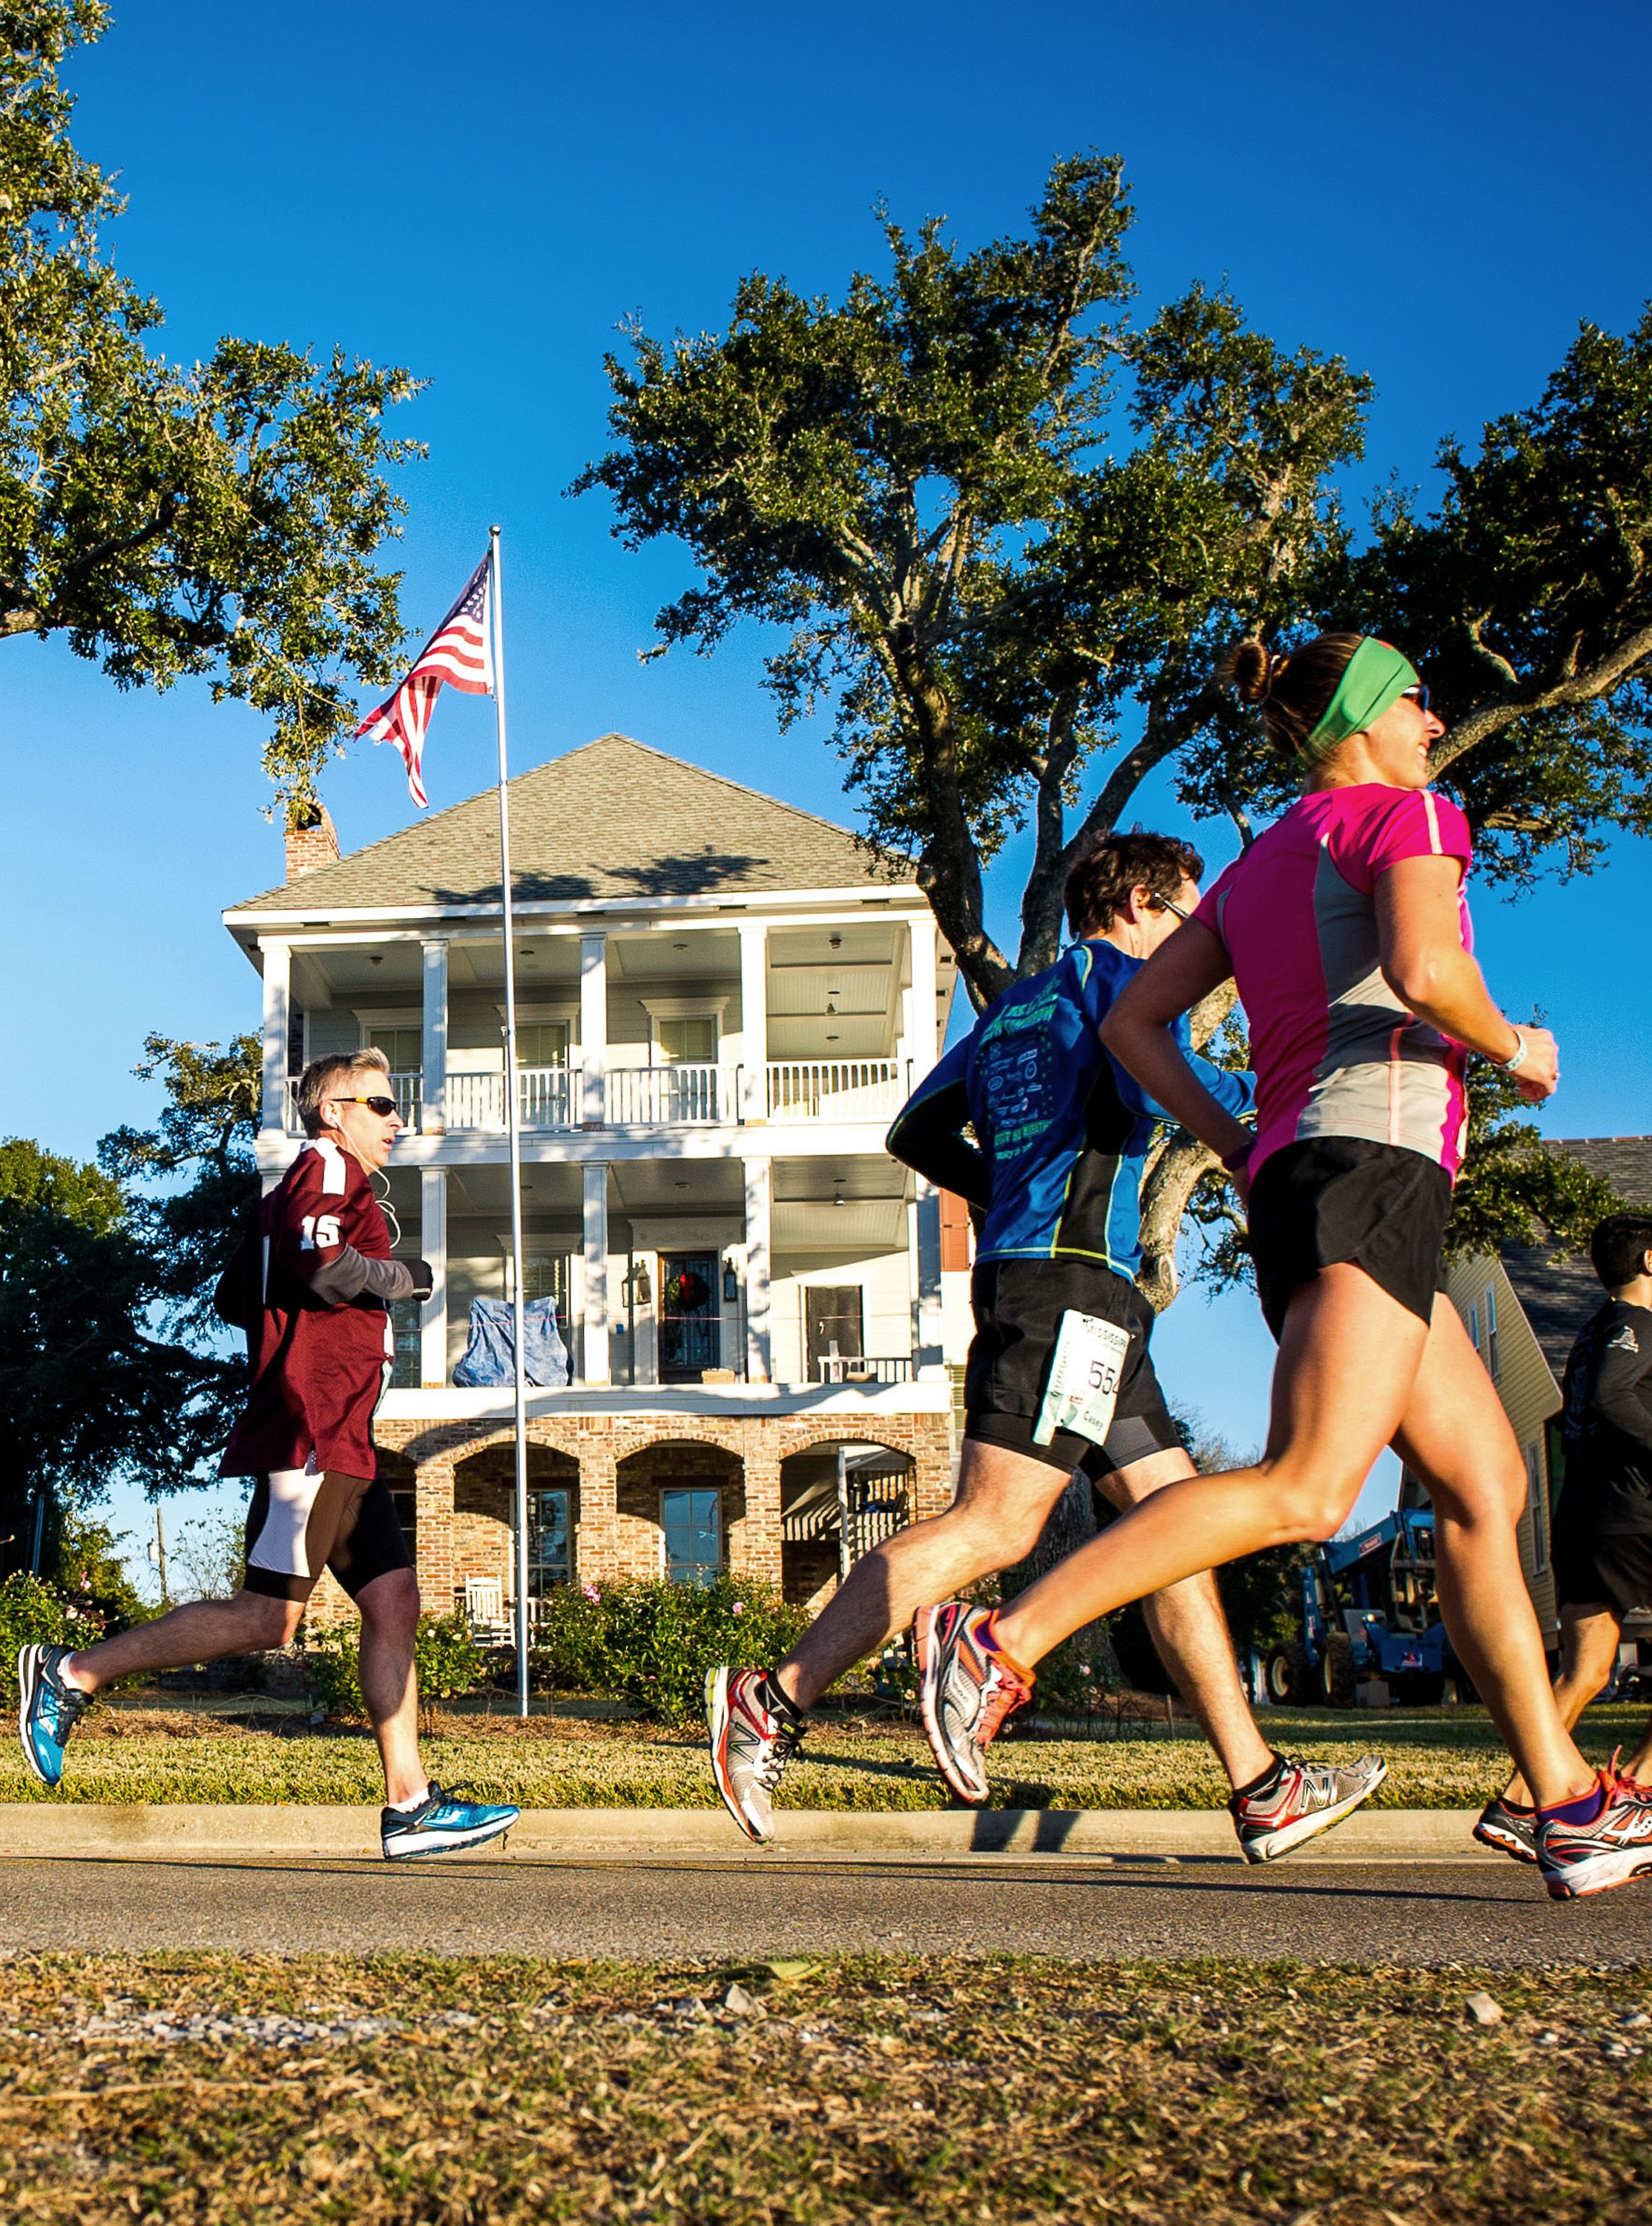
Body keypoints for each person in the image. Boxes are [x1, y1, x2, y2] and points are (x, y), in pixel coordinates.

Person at [913, 631, 1652, 1900]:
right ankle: (1001, 1639)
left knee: (1484, 1488)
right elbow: (1426, 972)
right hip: (1375, 1175)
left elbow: (1141, 1026)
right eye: (1422, 697)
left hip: (1320, 1182)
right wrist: (1514, 1044)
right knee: (1311, 1489)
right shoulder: (1409, 814)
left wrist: (1242, 1142)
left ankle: (1564, 1797)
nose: (1437, 718)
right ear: (1370, 719)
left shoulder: (1259, 864)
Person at [708, 831, 1386, 1860]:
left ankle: (1259, 1786)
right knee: (997, 1525)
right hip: (1074, 1291)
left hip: (1063, 1283)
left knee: (1173, 1531)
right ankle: (774, 1697)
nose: (1207, 943)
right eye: (1194, 919)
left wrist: (1008, 1201)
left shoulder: (1016, 1006)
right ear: (1146, 905)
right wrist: (1297, 1106)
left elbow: (916, 1133)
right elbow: (1183, 1093)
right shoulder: (1123, 993)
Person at [16, 1047, 519, 1860]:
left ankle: (410, 1805)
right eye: (382, 1106)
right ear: (334, 1111)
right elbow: (324, 1271)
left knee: (395, 1607)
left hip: (344, 1436)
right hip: (311, 1434)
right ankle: (70, 1675)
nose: (397, 1120)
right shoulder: (324, 1167)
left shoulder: (300, 1187)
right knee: (268, 1620)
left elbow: (232, 1291)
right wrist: (405, 1276)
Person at [1475, 1212, 1652, 1862]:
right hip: (1633, 1515)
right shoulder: (1636, 1327)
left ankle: (1522, 1802)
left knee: (1586, 1670)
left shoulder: (1593, 1331)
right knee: (1585, 1668)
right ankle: (1637, 1793)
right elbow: (1613, 1398)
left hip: (1581, 1516)